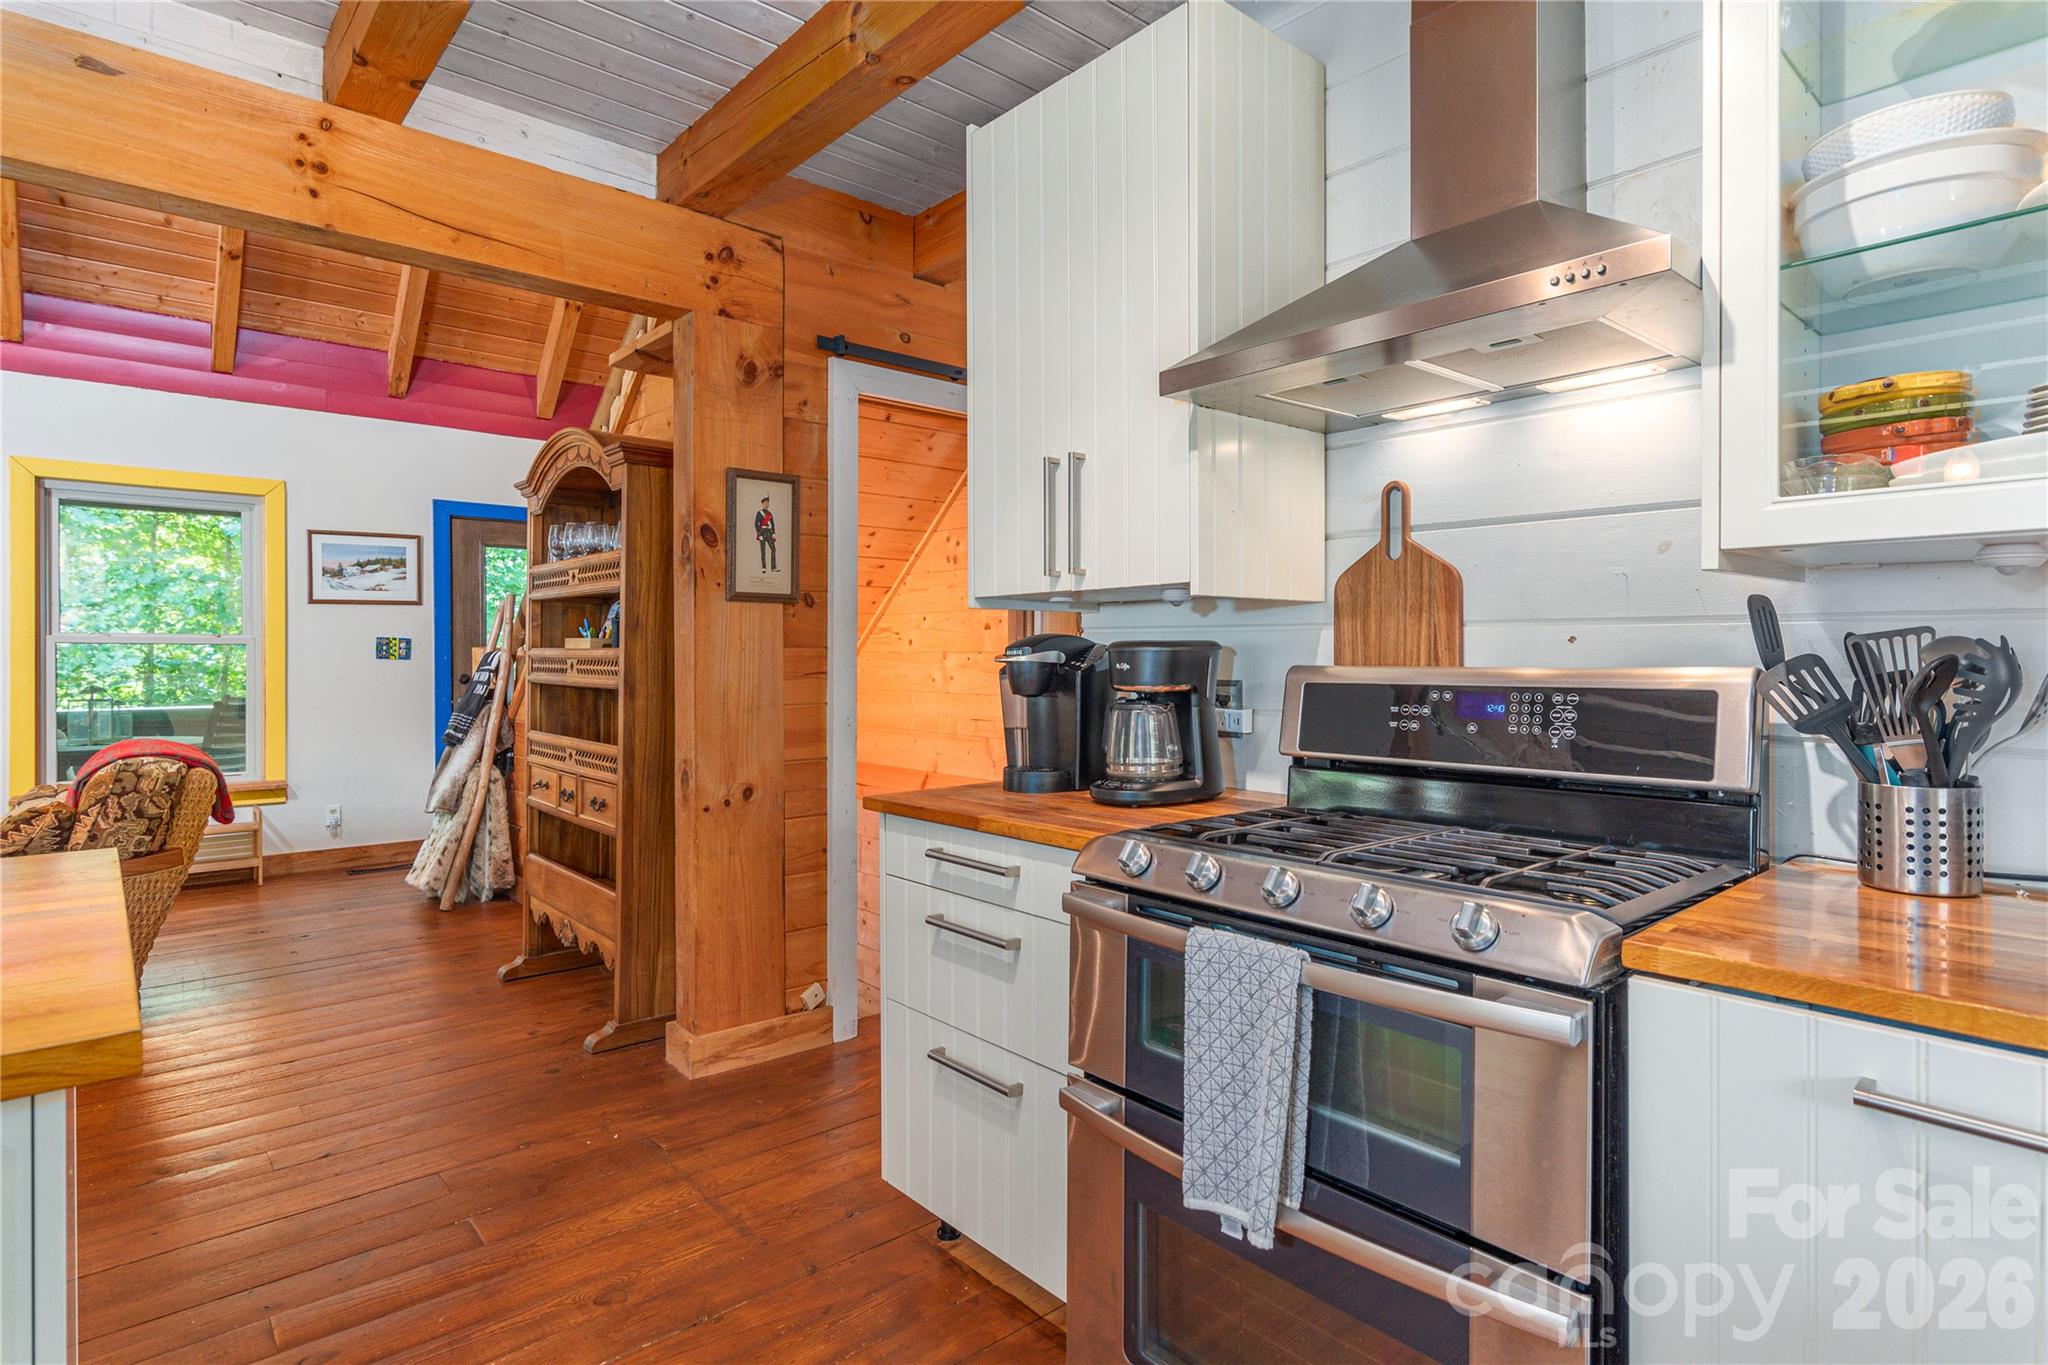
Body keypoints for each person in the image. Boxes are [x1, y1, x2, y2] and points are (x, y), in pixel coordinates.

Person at [755, 495, 778, 572]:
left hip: (769, 532)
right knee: (763, 551)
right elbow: (756, 524)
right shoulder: (759, 513)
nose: (766, 504)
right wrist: (759, 534)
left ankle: (773, 567)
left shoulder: (770, 513)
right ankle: (764, 567)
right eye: (765, 503)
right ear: (762, 504)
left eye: (767, 503)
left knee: (773, 550)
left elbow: (773, 523)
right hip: (762, 532)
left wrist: (773, 533)